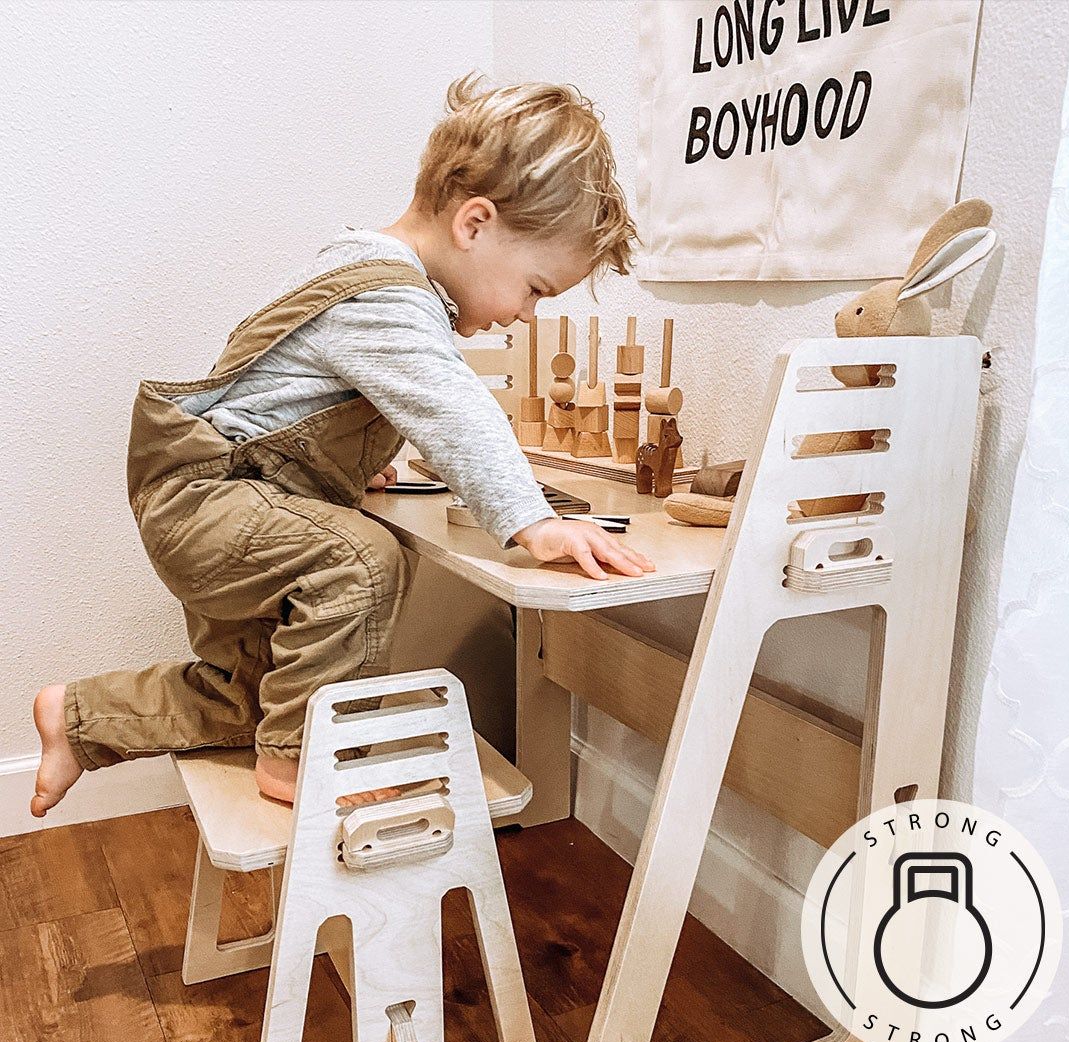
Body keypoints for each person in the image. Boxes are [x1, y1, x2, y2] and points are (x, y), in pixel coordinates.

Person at [31, 73, 653, 817]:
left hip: (231, 505)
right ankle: (303, 763)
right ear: (475, 223)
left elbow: (284, 403)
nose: (524, 315)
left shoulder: (369, 276)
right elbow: (453, 407)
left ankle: (80, 720)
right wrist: (532, 519)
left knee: (253, 699)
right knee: (363, 562)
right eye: (536, 288)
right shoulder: (388, 296)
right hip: (205, 505)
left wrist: (349, 463)